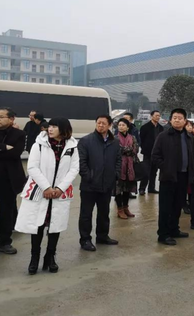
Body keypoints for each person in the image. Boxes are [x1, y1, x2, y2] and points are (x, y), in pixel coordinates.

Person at [15, 118, 79, 274]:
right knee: (38, 226)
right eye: (49, 126)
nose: (50, 129)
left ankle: (50, 257)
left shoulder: (72, 147)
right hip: (41, 192)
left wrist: (59, 188)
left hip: (59, 194)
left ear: (63, 129)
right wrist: (47, 187)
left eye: (54, 126)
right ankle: (34, 258)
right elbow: (32, 167)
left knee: (55, 227)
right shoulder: (39, 145)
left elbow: (74, 169)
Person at [78, 115, 121, 251]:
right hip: (89, 185)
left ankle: (102, 236)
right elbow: (81, 162)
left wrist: (115, 175)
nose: (100, 125)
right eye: (98, 123)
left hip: (106, 184)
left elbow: (118, 160)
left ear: (109, 125)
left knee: (104, 212)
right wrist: (88, 176)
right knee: (86, 214)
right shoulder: (86, 141)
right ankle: (85, 239)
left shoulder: (114, 142)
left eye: (103, 123)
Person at [151, 108, 194, 245]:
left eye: (180, 118)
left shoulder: (188, 137)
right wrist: (166, 167)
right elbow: (155, 156)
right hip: (168, 177)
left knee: (177, 206)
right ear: (170, 119)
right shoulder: (163, 136)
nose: (177, 120)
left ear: (185, 121)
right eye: (174, 117)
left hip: (183, 176)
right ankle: (163, 234)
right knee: (166, 207)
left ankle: (174, 229)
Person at [0, 107, 26, 255]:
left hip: (9, 180)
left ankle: (5, 242)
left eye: (2, 117)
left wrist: (5, 151)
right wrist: (4, 147)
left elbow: (16, 153)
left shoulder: (19, 134)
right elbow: (9, 152)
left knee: (6, 211)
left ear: (11, 119)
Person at [114, 118, 139, 219]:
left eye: (123, 125)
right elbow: (118, 150)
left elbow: (136, 149)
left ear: (128, 127)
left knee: (127, 189)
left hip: (130, 167)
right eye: (119, 125)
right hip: (119, 166)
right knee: (118, 189)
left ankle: (126, 208)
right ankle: (120, 209)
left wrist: (126, 149)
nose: (121, 126)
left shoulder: (132, 137)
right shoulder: (114, 138)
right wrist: (129, 149)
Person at [139, 110, 164, 195]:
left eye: (159, 116)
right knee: (146, 171)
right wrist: (145, 148)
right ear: (151, 116)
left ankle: (151, 188)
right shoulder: (145, 127)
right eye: (156, 115)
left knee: (154, 172)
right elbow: (141, 140)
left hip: (157, 154)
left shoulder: (161, 128)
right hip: (147, 153)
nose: (158, 117)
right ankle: (142, 188)